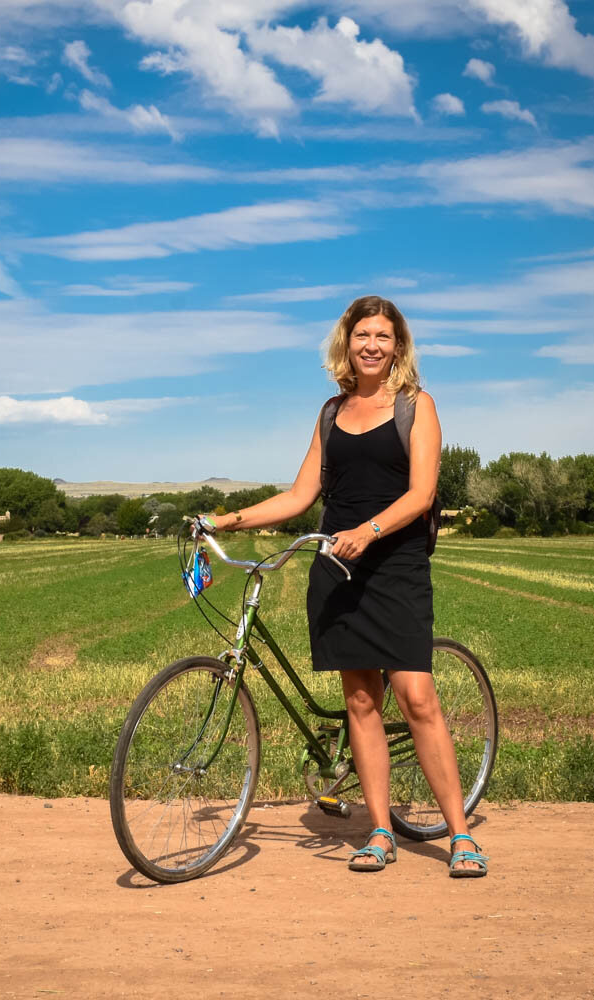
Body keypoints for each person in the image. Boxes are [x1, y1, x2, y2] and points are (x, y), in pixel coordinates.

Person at [203, 295, 488, 878]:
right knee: (360, 700)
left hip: (396, 563)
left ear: (398, 346)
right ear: (346, 343)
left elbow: (421, 494)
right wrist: (223, 521)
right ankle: (379, 831)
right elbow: (300, 496)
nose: (372, 346)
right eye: (363, 335)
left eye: (383, 336)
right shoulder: (331, 413)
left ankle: (459, 834)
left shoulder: (416, 406)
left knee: (416, 697)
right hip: (337, 566)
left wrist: (369, 529)